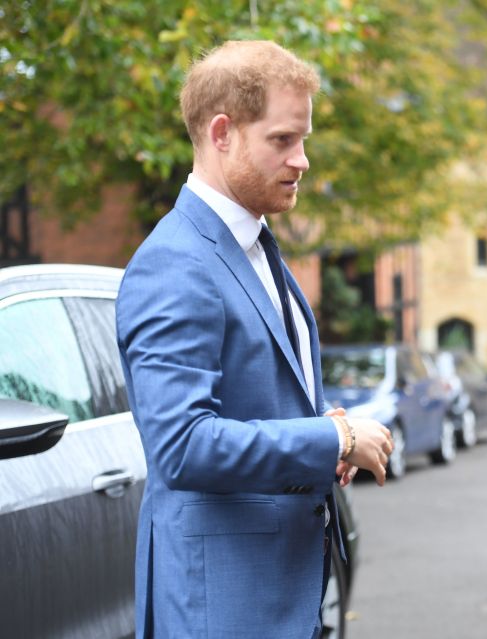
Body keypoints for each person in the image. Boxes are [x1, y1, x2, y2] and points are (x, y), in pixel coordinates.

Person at [116, 40, 394, 639]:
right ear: (223, 133)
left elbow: (259, 405)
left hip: (283, 592)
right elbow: (183, 445)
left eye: (305, 139)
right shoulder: (174, 263)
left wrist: (325, 440)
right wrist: (333, 436)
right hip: (222, 604)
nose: (302, 161)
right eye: (282, 140)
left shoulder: (257, 246)